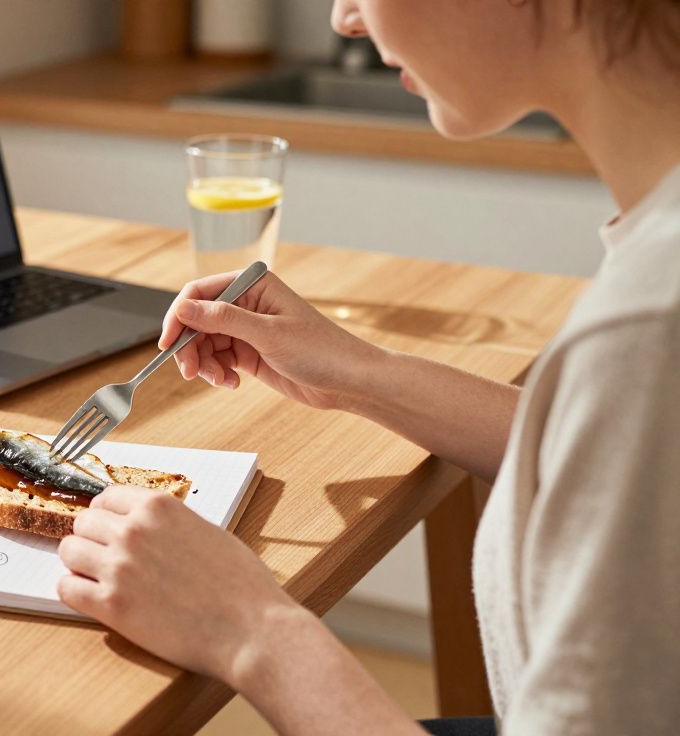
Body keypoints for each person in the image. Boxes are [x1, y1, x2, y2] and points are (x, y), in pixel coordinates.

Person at [56, 0, 680, 733]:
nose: (345, 17)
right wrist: (357, 371)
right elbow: (620, 459)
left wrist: (252, 630)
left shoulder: (648, 328)